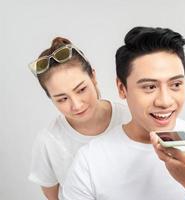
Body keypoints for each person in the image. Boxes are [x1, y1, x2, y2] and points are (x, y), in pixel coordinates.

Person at [62, 27, 185, 200]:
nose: (165, 101)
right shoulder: (89, 162)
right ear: (122, 88)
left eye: (176, 85)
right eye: (150, 87)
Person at [28, 37, 131, 200]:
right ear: (51, 98)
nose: (76, 105)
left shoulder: (130, 118)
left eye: (81, 89)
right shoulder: (48, 142)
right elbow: (53, 197)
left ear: (93, 77)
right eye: (62, 99)